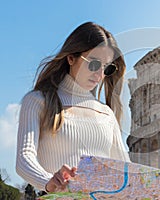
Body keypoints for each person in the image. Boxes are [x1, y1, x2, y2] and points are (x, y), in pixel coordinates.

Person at [16, 22, 131, 193]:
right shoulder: (37, 101)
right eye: (93, 64)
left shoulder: (106, 113)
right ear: (71, 58)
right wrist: (49, 181)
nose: (99, 74)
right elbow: (24, 158)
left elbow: (126, 173)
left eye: (107, 67)